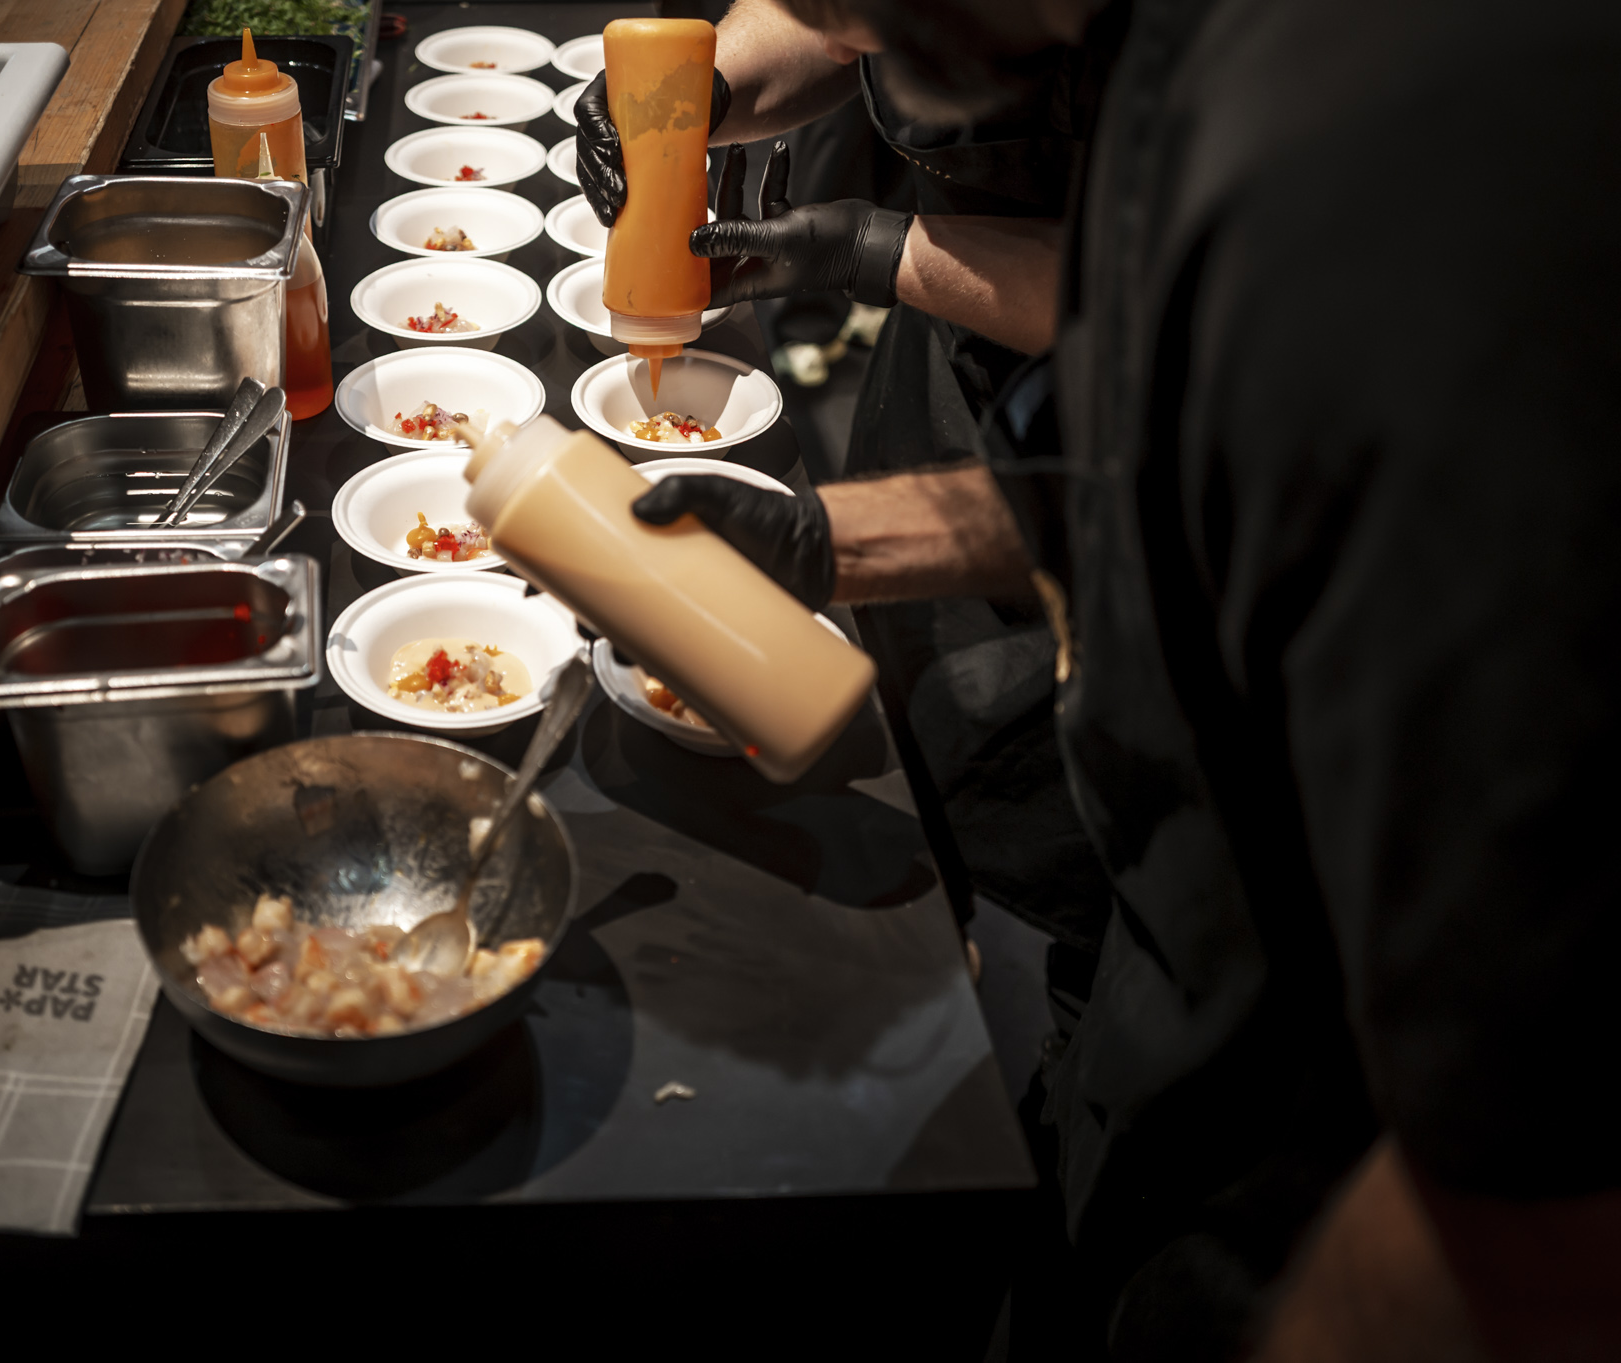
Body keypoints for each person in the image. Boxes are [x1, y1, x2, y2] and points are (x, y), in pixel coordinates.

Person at [608, 0, 1621, 1359]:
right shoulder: (1182, 95)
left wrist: (878, 249)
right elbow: (1183, 474)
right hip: (1159, 985)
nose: (830, 27)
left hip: (1308, 1113)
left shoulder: (1373, 153)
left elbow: (1536, 1219)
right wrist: (830, 542)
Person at [579, 0, 1123, 991]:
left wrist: (881, 251)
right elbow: (818, 26)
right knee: (902, 733)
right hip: (949, 379)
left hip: (1135, 454)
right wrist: (706, 89)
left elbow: (1153, 310)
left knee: (1067, 862)